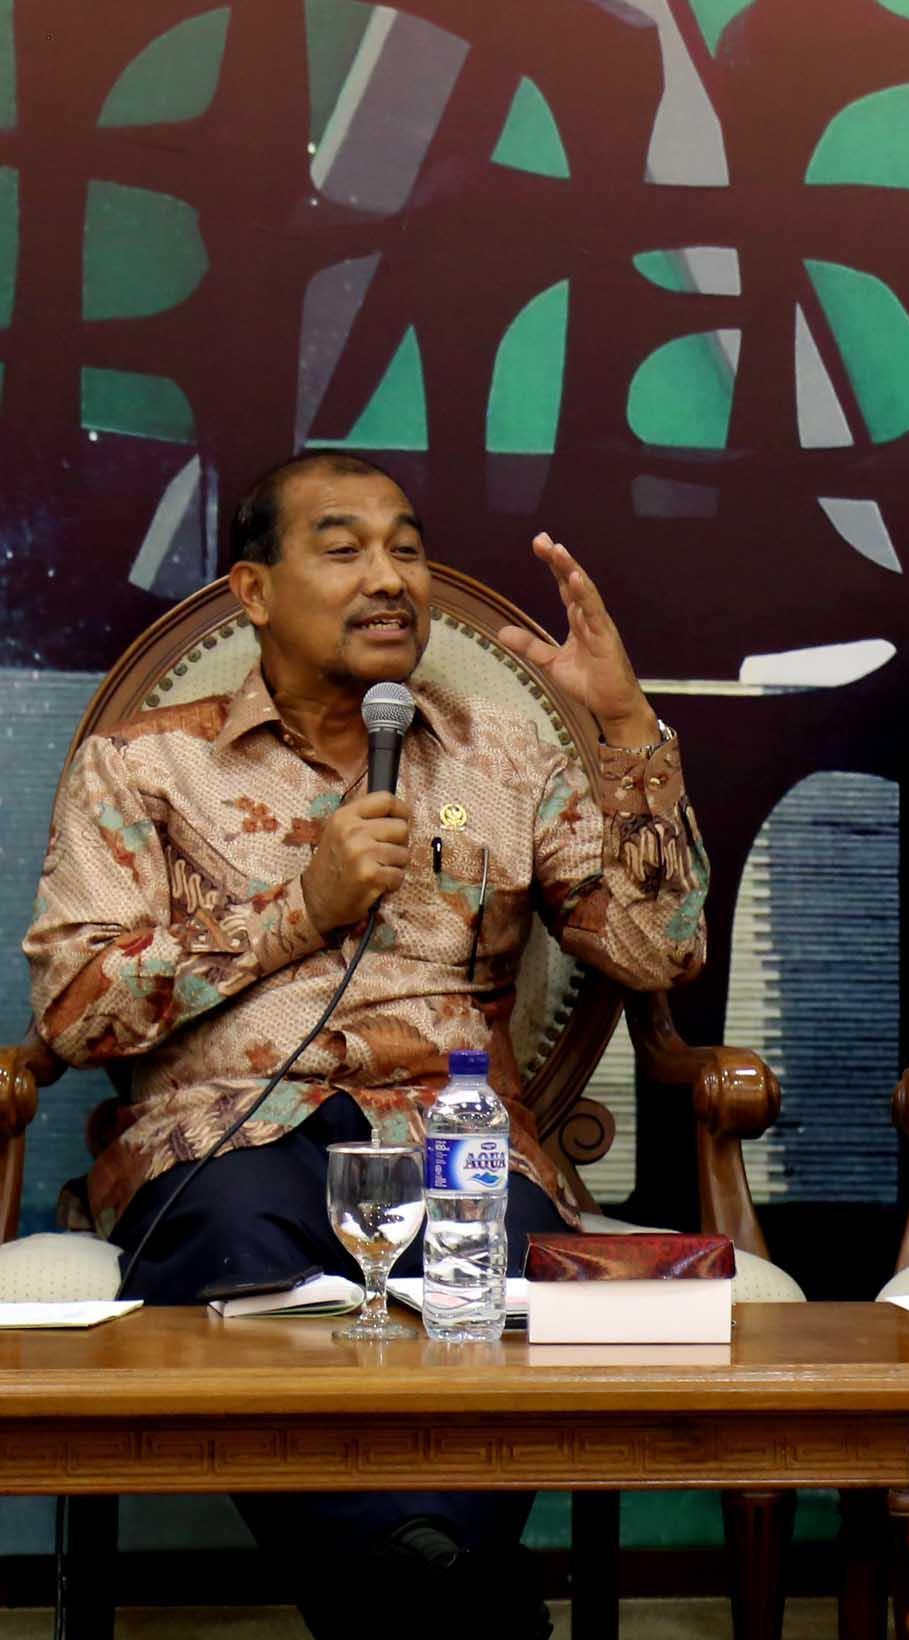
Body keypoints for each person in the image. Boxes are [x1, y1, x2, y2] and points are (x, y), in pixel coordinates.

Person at [24, 451, 707, 1639]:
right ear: (251, 591)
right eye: (343, 549)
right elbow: (75, 1010)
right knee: (238, 1243)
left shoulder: (502, 758)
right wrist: (302, 903)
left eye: (407, 549)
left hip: (458, 1140)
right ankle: (457, 1595)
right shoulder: (143, 765)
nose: (389, 577)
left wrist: (623, 724)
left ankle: (411, 1587)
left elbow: (661, 951)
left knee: (505, 1273)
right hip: (224, 1139)